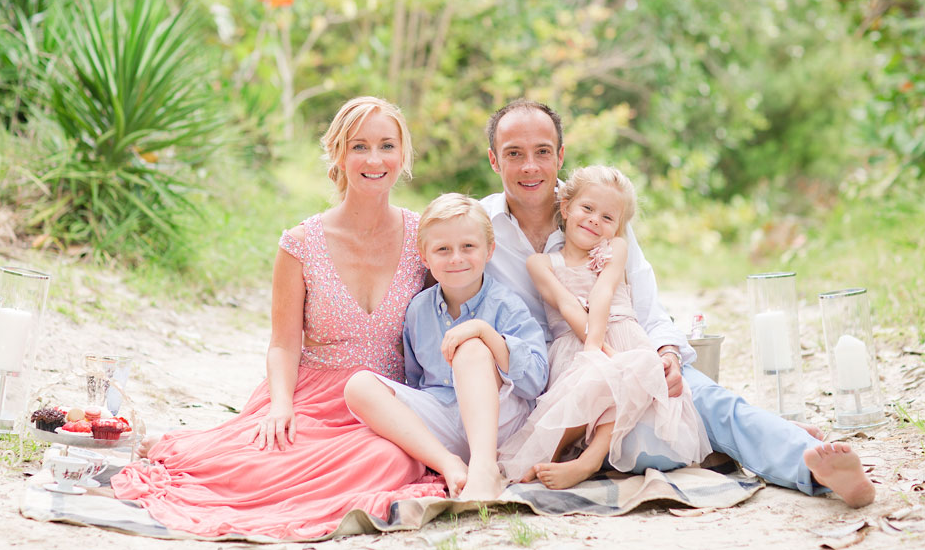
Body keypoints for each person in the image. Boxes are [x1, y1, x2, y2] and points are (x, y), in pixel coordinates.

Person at [482, 99, 875, 508]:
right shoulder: (478, 229)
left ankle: (810, 465)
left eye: (542, 151)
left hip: (628, 352)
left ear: (560, 155)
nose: (531, 166)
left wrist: (667, 352)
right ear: (494, 160)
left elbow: (647, 307)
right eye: (514, 154)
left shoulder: (600, 209)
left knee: (704, 399)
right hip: (559, 384)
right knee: (647, 441)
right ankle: (765, 434)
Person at [109, 97, 447, 539]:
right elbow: (284, 344)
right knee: (270, 454)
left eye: (387, 146)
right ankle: (192, 452)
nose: (374, 159)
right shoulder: (300, 244)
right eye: (359, 146)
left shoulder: (423, 239)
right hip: (312, 395)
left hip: (387, 402)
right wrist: (281, 405)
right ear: (338, 154)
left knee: (393, 459)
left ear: (403, 156)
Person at [499, 166, 711, 489]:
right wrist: (595, 352)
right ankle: (546, 456)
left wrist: (604, 351)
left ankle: (589, 460)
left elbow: (603, 292)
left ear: (617, 228)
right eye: (587, 209)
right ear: (567, 207)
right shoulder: (541, 263)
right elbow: (567, 303)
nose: (595, 220)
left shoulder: (617, 250)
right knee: (592, 384)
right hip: (577, 344)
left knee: (630, 370)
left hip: (621, 339)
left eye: (608, 217)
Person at [345, 193, 548, 501]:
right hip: (442, 419)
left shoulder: (506, 306)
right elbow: (416, 380)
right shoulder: (418, 310)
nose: (456, 258)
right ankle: (447, 463)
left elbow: (535, 382)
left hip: (498, 423)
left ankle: (484, 468)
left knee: (472, 349)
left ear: (489, 250)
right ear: (425, 257)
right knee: (358, 385)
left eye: (468, 247)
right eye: (443, 249)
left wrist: (485, 334)